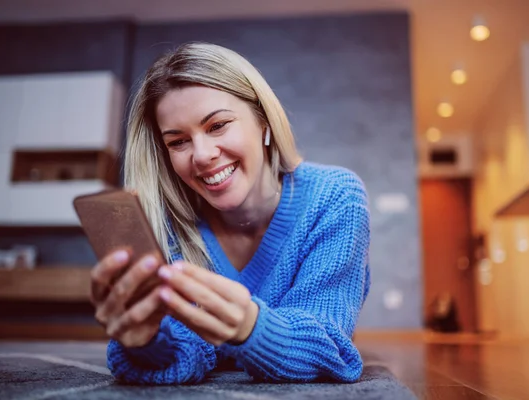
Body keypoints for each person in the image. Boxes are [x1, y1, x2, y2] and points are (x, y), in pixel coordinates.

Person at [90, 42, 371, 385]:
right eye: (178, 142)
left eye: (218, 125)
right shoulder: (164, 221)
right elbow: (182, 349)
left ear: (263, 122)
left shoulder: (335, 197)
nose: (202, 155)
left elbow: (328, 347)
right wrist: (146, 341)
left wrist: (250, 327)